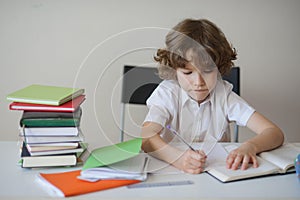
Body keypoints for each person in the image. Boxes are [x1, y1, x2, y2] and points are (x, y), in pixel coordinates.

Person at [141, 18, 284, 174]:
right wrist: (178, 159)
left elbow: (274, 132)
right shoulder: (167, 94)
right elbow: (146, 138)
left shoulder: (224, 96)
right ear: (174, 69)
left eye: (207, 71)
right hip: (172, 173)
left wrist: (250, 146)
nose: (198, 82)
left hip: (217, 176)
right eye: (188, 72)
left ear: (219, 67)